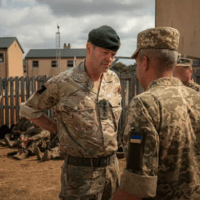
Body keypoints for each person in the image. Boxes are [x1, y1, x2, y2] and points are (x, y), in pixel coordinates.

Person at [20, 25, 122, 199]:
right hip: (80, 174)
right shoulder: (63, 82)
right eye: (105, 53)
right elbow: (29, 109)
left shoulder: (113, 80)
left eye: (112, 55)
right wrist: (58, 130)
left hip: (112, 170)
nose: (109, 59)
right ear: (89, 48)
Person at [112, 27, 200, 200]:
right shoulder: (197, 97)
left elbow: (138, 184)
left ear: (144, 62)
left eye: (137, 63)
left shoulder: (145, 104)